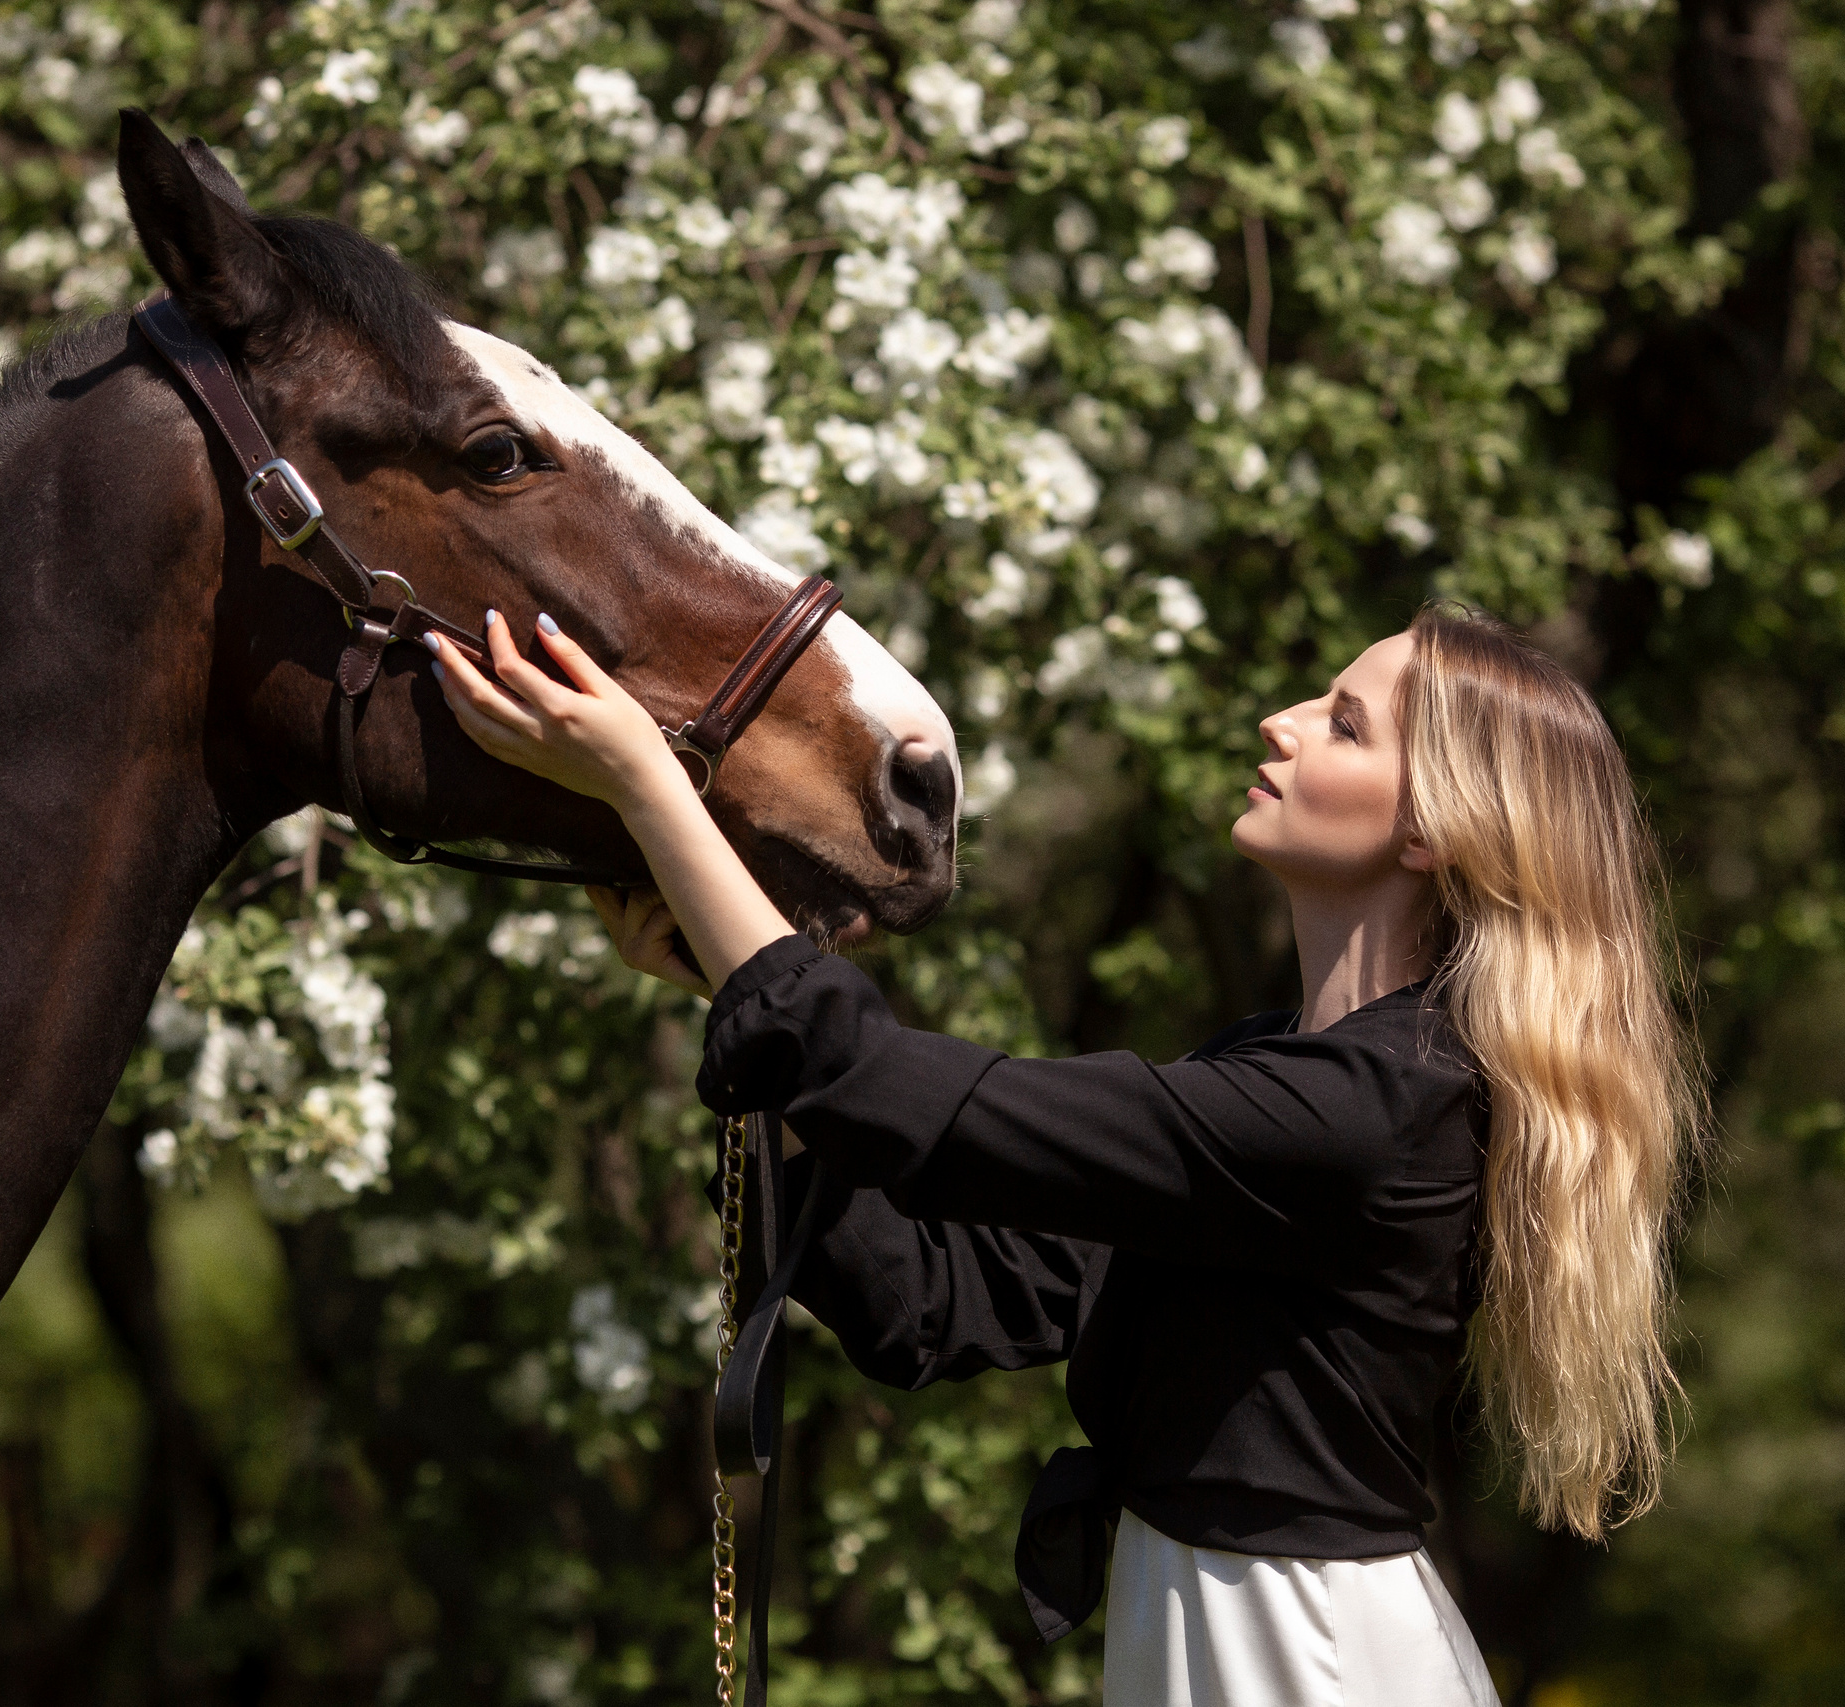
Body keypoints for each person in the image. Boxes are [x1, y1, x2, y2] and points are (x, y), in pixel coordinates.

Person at [425, 600, 1702, 1706]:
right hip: (1222, 1630)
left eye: (1346, 723)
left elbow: (897, 1091)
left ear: (1431, 831)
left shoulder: (1376, 1116)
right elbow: (936, 1303)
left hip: (1300, 1656)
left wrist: (652, 791)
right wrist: (742, 1002)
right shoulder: (1287, 1076)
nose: (1282, 720)